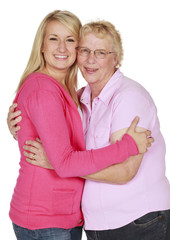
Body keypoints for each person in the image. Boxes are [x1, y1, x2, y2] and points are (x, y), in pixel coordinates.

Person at [8, 20, 170, 239]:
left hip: (137, 221)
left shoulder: (128, 97)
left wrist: (56, 163)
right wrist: (17, 125)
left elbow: (125, 171)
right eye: (85, 50)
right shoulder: (79, 98)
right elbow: (45, 121)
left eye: (100, 52)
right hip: (94, 224)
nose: (91, 59)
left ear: (117, 58)